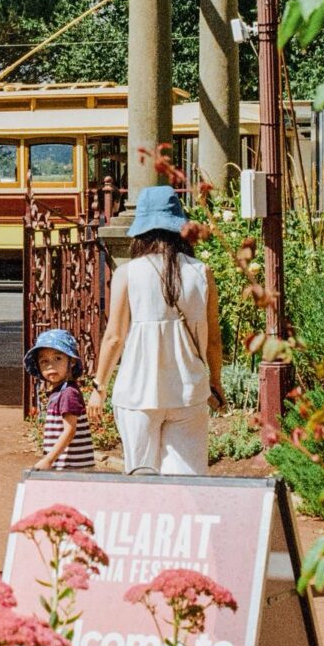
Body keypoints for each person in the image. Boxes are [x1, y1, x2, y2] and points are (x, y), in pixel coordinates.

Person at [86, 185, 225, 477]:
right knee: (187, 481)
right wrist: (215, 381)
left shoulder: (128, 273)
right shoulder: (202, 273)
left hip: (137, 393)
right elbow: (213, 340)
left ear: (142, 231)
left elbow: (114, 337)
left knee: (141, 477)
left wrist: (99, 387)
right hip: (188, 392)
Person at [24, 328, 96, 472]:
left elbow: (69, 430)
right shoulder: (58, 392)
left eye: (58, 358)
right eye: (44, 361)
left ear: (72, 361)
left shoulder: (68, 393)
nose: (51, 365)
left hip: (73, 469)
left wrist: (48, 460)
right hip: (64, 466)